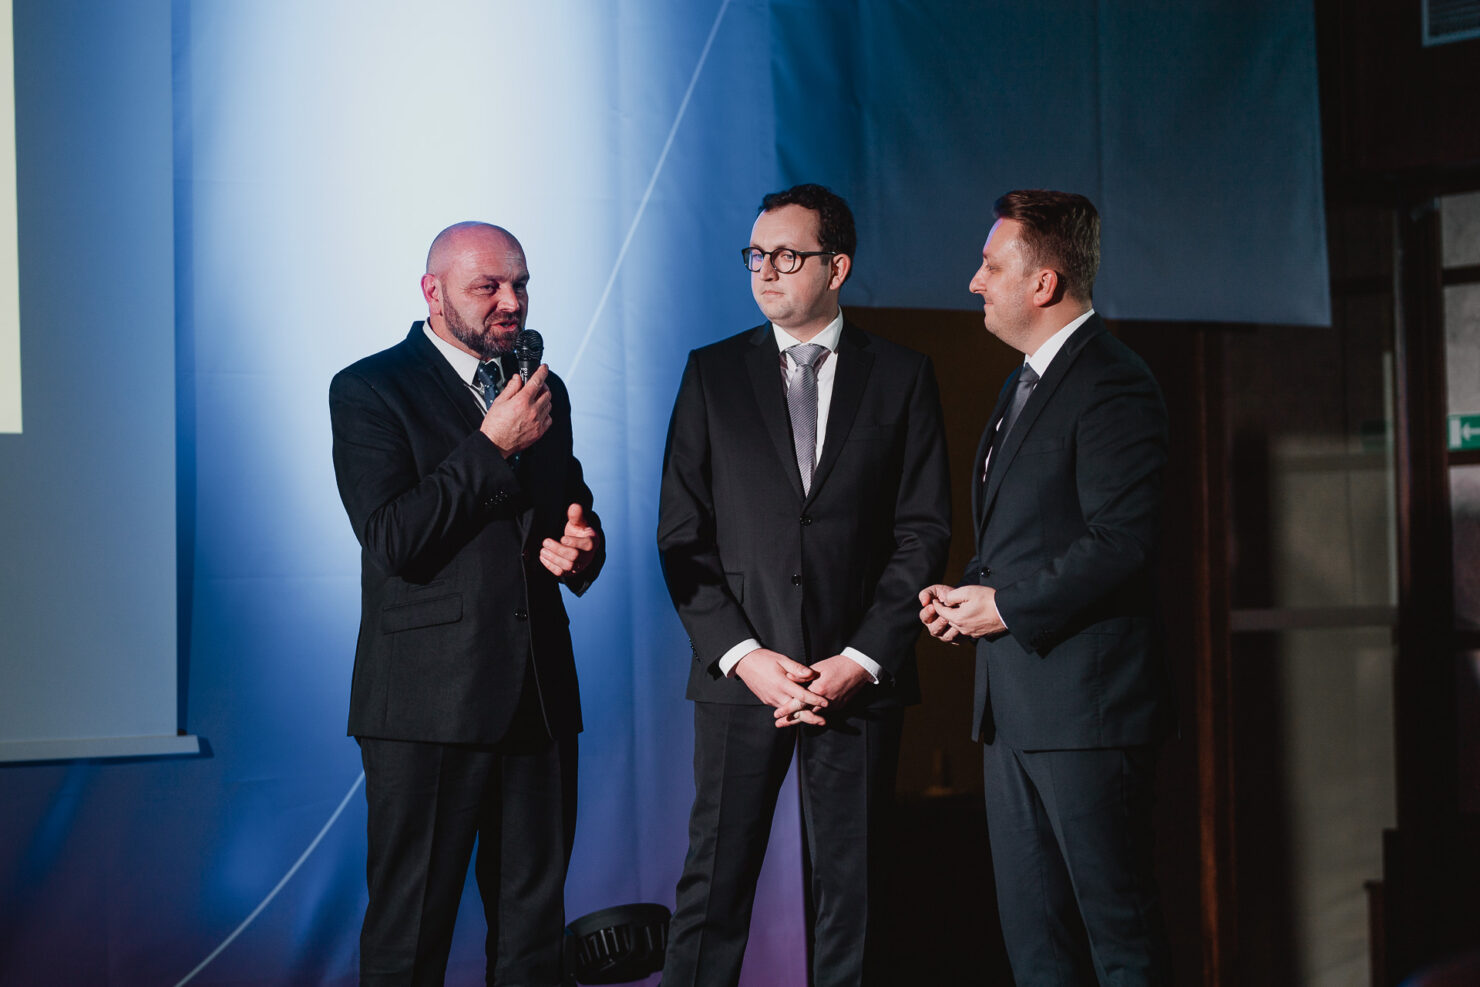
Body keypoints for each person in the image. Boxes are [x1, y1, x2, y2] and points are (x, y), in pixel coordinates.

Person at [656, 184, 951, 986]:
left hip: (855, 679)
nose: (765, 270)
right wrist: (745, 656)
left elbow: (923, 531)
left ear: (837, 267)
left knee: (853, 899)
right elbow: (681, 535)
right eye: (756, 254)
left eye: (787, 255)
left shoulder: (901, 375)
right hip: (743, 677)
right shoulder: (712, 373)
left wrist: (860, 658)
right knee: (711, 892)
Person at [329, 221, 603, 986]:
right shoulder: (369, 388)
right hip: (427, 708)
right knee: (410, 938)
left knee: (533, 941)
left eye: (521, 284)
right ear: (434, 292)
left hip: (537, 699)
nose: (511, 301)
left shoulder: (543, 388)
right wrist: (492, 443)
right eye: (488, 286)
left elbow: (568, 506)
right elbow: (393, 538)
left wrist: (583, 546)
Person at [919, 190, 1173, 985]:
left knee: (1119, 940)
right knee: (1036, 949)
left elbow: (1123, 541)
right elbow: (1025, 536)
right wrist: (968, 595)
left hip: (1085, 715)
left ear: (1044, 282)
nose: (974, 281)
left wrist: (1005, 607)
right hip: (1012, 711)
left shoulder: (1113, 382)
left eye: (991, 266)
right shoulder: (1020, 384)